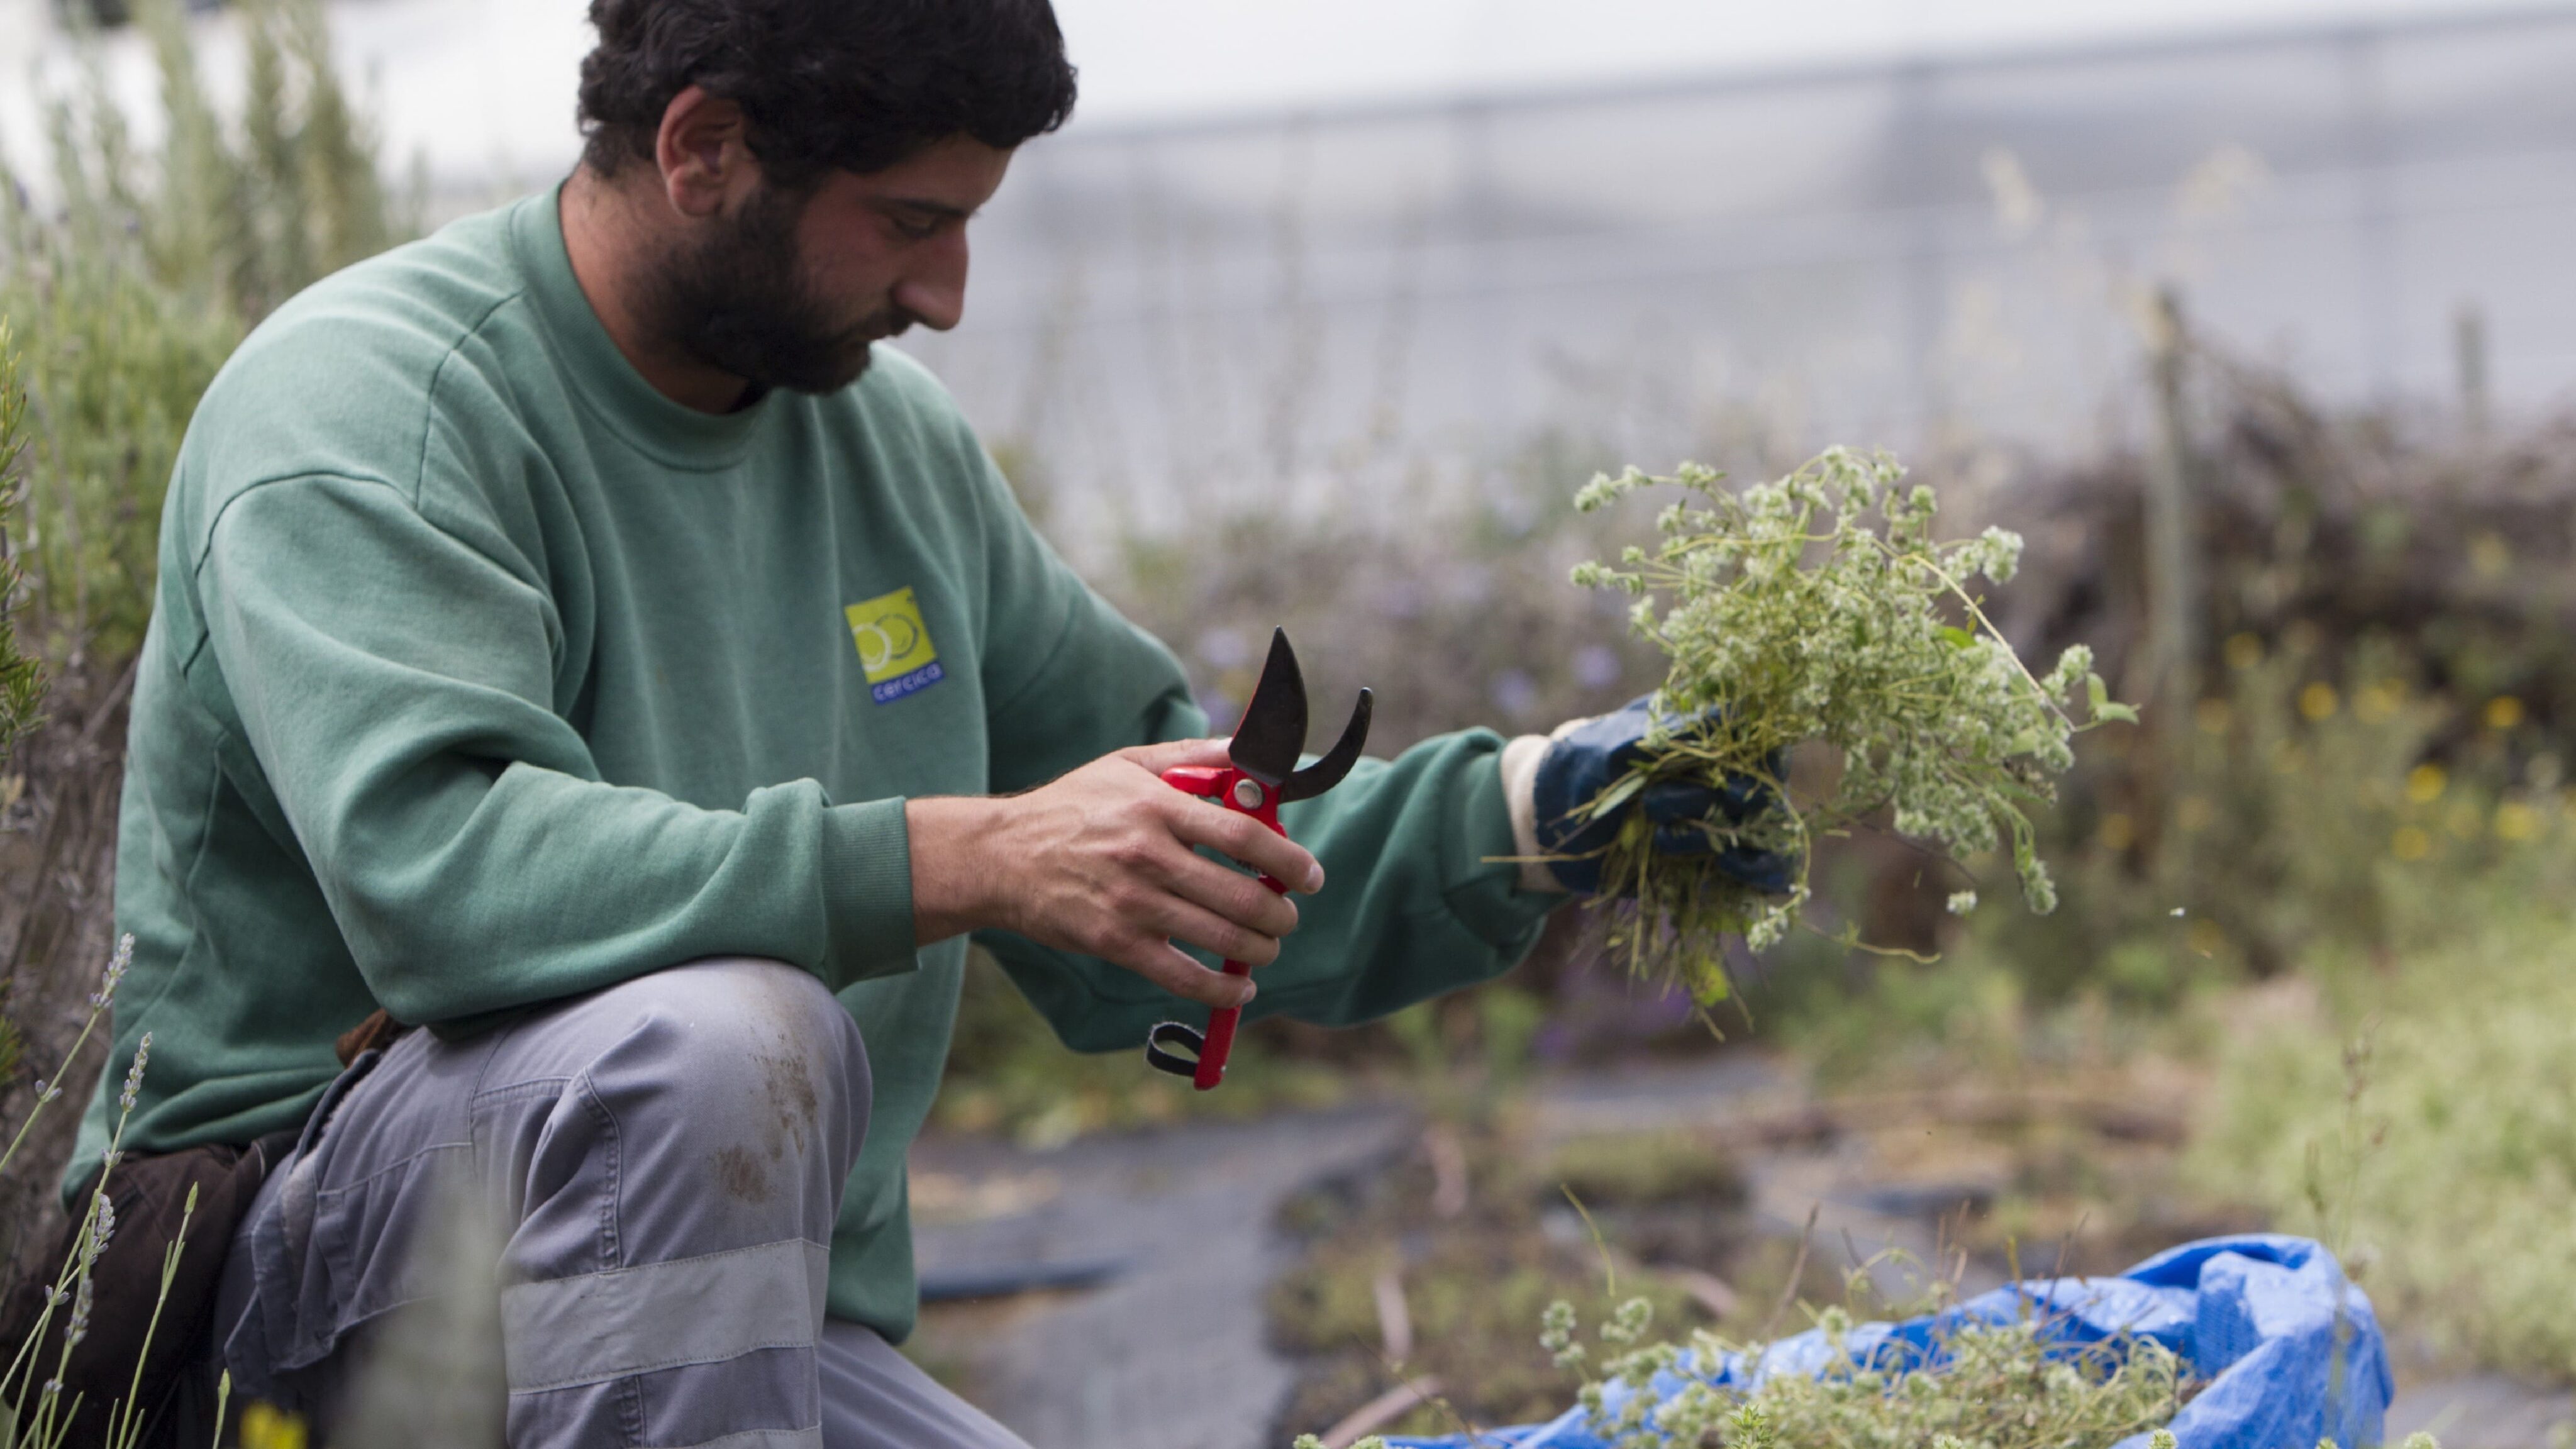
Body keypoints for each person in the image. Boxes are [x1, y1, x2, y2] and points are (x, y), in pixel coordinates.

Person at [67, 1, 1776, 1445]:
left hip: (735, 1330)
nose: (950, 294)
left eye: (972, 224)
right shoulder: (377, 407)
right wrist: (976, 854)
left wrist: (1548, 808)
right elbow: (443, 879)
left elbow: (1165, 847)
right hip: (285, 1286)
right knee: (725, 1046)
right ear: (702, 149)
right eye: (906, 222)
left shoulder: (891, 455)